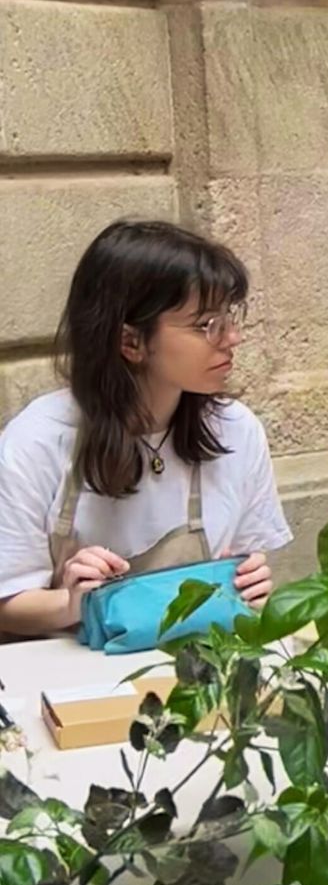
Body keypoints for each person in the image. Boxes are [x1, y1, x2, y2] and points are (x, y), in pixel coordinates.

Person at [0, 221, 285, 637]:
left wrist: (250, 585)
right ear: (130, 342)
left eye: (230, 317)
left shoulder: (236, 431)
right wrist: (70, 602)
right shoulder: (39, 440)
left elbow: (245, 565)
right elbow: (7, 603)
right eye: (207, 324)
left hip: (200, 668)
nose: (233, 338)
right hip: (72, 678)